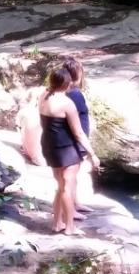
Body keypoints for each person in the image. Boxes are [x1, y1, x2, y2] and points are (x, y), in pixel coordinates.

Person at [38, 67, 100, 235]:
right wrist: (92, 155)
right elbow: (78, 133)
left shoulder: (43, 97)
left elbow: (44, 124)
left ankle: (57, 223)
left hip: (49, 145)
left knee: (60, 185)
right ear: (66, 84)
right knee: (67, 186)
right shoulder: (67, 104)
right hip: (66, 148)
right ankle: (70, 227)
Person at [60, 57, 96, 219]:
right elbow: (76, 126)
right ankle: (70, 210)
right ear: (78, 73)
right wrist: (91, 151)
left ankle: (76, 203)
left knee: (75, 175)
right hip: (73, 141)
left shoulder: (66, 92)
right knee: (70, 177)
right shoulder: (74, 94)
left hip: (72, 140)